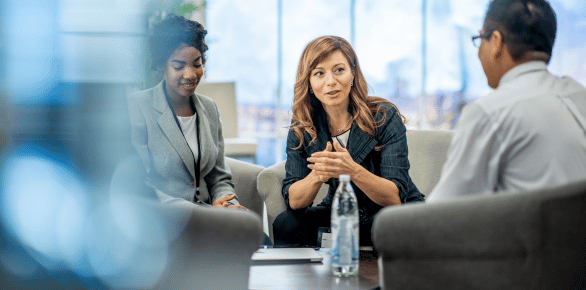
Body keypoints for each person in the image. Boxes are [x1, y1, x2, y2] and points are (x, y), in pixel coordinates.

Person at [273, 36, 425, 247]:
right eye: (319, 73)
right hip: (342, 212)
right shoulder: (303, 125)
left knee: (391, 229)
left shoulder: (383, 116)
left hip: (390, 215)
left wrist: (351, 170)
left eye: (339, 70)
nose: (330, 82)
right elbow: (295, 201)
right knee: (286, 224)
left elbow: (394, 196)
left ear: (353, 73)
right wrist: (319, 174)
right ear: (309, 82)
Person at [428, 0, 586, 201]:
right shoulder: (578, 95)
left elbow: (442, 212)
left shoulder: (489, 113)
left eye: (479, 38)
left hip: (530, 231)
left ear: (495, 42)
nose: (478, 52)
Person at [127, 14, 245, 209]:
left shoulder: (210, 109)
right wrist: (197, 213)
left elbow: (219, 178)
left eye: (197, 64)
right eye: (178, 66)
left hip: (209, 214)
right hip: (166, 219)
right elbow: (139, 183)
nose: (190, 75)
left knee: (257, 235)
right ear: (160, 66)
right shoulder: (139, 107)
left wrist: (226, 203)